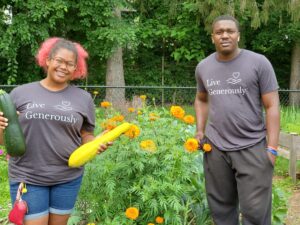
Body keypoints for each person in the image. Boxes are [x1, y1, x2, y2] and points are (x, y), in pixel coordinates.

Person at [0, 37, 110, 225]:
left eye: (70, 64)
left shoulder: (83, 98)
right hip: (28, 176)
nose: (63, 67)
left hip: (68, 177)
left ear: (76, 69)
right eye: (59, 60)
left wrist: (94, 144)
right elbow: (5, 141)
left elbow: (85, 134)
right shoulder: (20, 93)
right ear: (48, 60)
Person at [194, 15, 280, 225]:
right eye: (219, 32)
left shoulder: (259, 63)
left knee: (255, 214)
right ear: (212, 37)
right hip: (215, 150)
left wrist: (272, 149)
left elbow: (272, 106)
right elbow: (201, 99)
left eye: (229, 31)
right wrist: (199, 130)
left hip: (252, 147)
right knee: (221, 211)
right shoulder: (203, 67)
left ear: (238, 36)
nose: (224, 35)